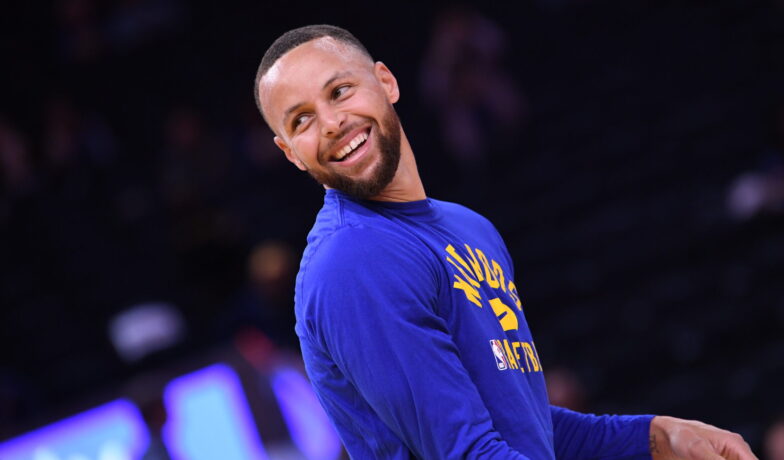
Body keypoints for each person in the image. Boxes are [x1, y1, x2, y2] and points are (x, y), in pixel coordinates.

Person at [253, 24, 756, 459]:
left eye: (340, 91)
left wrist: (655, 435)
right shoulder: (355, 261)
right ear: (290, 152)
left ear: (386, 81)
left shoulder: (467, 228)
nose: (333, 123)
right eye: (302, 119)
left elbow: (524, 428)